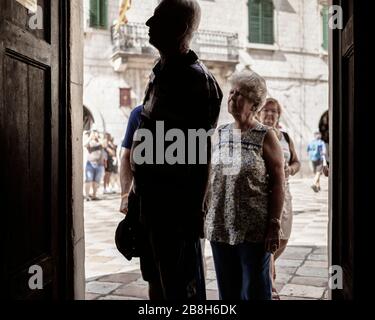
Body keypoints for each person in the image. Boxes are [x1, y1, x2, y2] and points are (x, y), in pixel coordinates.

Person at [130, 0, 222, 300]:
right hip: (150, 204)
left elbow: (200, 151)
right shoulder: (160, 72)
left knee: (182, 290)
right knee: (156, 282)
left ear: (180, 28)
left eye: (157, 18)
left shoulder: (197, 81)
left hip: (176, 211)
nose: (148, 24)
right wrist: (134, 201)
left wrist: (195, 212)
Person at [205, 70, 285, 300]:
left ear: (254, 103)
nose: (232, 97)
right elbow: (211, 176)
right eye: (231, 92)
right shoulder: (220, 133)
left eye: (240, 94)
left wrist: (274, 223)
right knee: (228, 293)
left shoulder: (265, 135)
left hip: (253, 229)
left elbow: (279, 182)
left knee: (255, 292)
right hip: (220, 225)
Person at [258, 97, 301, 299]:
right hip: (263, 195)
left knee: (283, 239)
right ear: (259, 112)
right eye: (266, 110)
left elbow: (296, 162)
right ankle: (269, 285)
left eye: (274, 111)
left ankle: (266, 273)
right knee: (269, 240)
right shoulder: (256, 134)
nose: (270, 114)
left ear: (279, 115)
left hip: (285, 193)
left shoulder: (285, 137)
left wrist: (290, 170)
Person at [119, 105, 143, 214]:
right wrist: (125, 195)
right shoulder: (139, 113)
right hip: (144, 198)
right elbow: (126, 156)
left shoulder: (192, 112)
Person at [84, 130, 106, 200]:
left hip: (100, 164)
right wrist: (90, 137)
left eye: (97, 133)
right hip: (90, 163)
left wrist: (98, 137)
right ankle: (87, 196)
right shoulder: (89, 142)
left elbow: (105, 144)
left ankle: (94, 195)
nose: (96, 134)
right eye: (95, 133)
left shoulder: (100, 142)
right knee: (89, 179)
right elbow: (84, 144)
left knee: (97, 180)